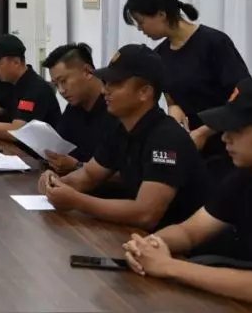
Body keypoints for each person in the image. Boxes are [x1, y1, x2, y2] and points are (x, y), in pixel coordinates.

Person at [124, 78, 252, 312]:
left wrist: (167, 266)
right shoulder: (246, 178)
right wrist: (148, 247)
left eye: (236, 130)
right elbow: (189, 232)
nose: (224, 137)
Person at [38, 44, 208, 231]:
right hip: (139, 236)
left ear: (144, 92)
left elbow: (145, 214)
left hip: (175, 242)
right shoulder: (121, 128)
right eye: (106, 82)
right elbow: (89, 175)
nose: (105, 90)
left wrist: (77, 201)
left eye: (116, 83)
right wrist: (56, 183)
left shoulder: (167, 139)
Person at [123, 0, 250, 179]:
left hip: (226, 146)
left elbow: (242, 95)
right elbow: (171, 96)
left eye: (141, 21)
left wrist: (204, 132)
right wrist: (174, 108)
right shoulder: (159, 55)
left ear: (161, 14)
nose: (140, 28)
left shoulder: (214, 43)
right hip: (190, 149)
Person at [0, 34, 61, 139]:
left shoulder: (35, 88)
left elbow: (18, 131)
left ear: (16, 62)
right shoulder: (12, 83)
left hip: (40, 149)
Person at [42, 42, 118, 175]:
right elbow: (59, 148)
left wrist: (76, 166)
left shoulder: (116, 107)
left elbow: (125, 174)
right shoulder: (73, 108)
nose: (61, 90)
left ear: (87, 72)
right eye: (56, 84)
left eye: (63, 81)